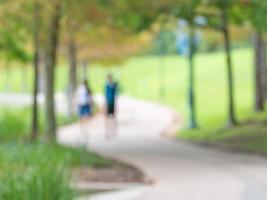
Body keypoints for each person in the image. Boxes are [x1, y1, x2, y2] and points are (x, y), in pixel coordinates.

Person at [104, 73, 118, 139]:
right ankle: (107, 131)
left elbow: (115, 95)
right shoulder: (107, 85)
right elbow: (105, 95)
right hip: (108, 103)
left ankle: (113, 131)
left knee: (113, 117)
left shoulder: (113, 85)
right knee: (107, 118)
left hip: (112, 103)